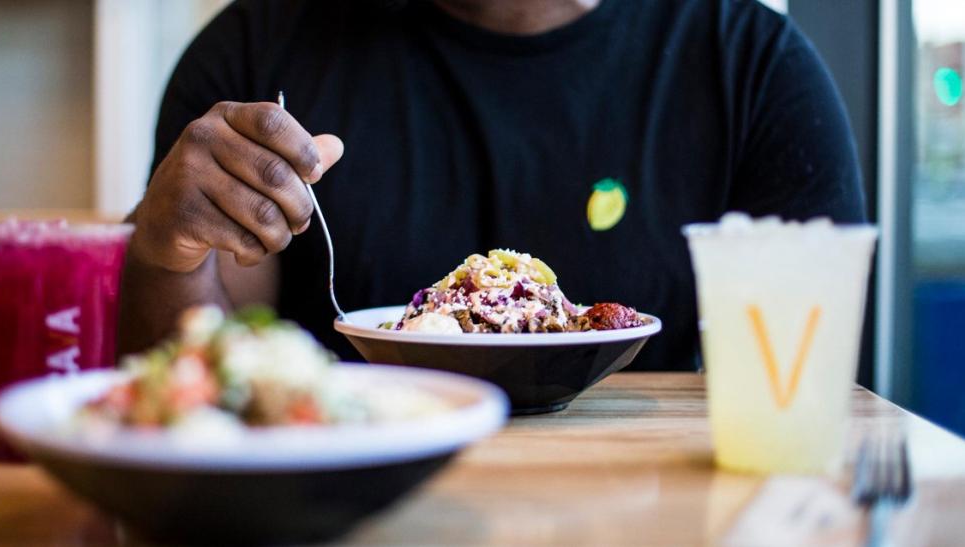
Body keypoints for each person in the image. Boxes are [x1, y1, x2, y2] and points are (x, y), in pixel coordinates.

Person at [119, 0, 866, 371]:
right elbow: (195, 372)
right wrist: (166, 258)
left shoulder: (750, 69)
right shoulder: (257, 53)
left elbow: (806, 393)